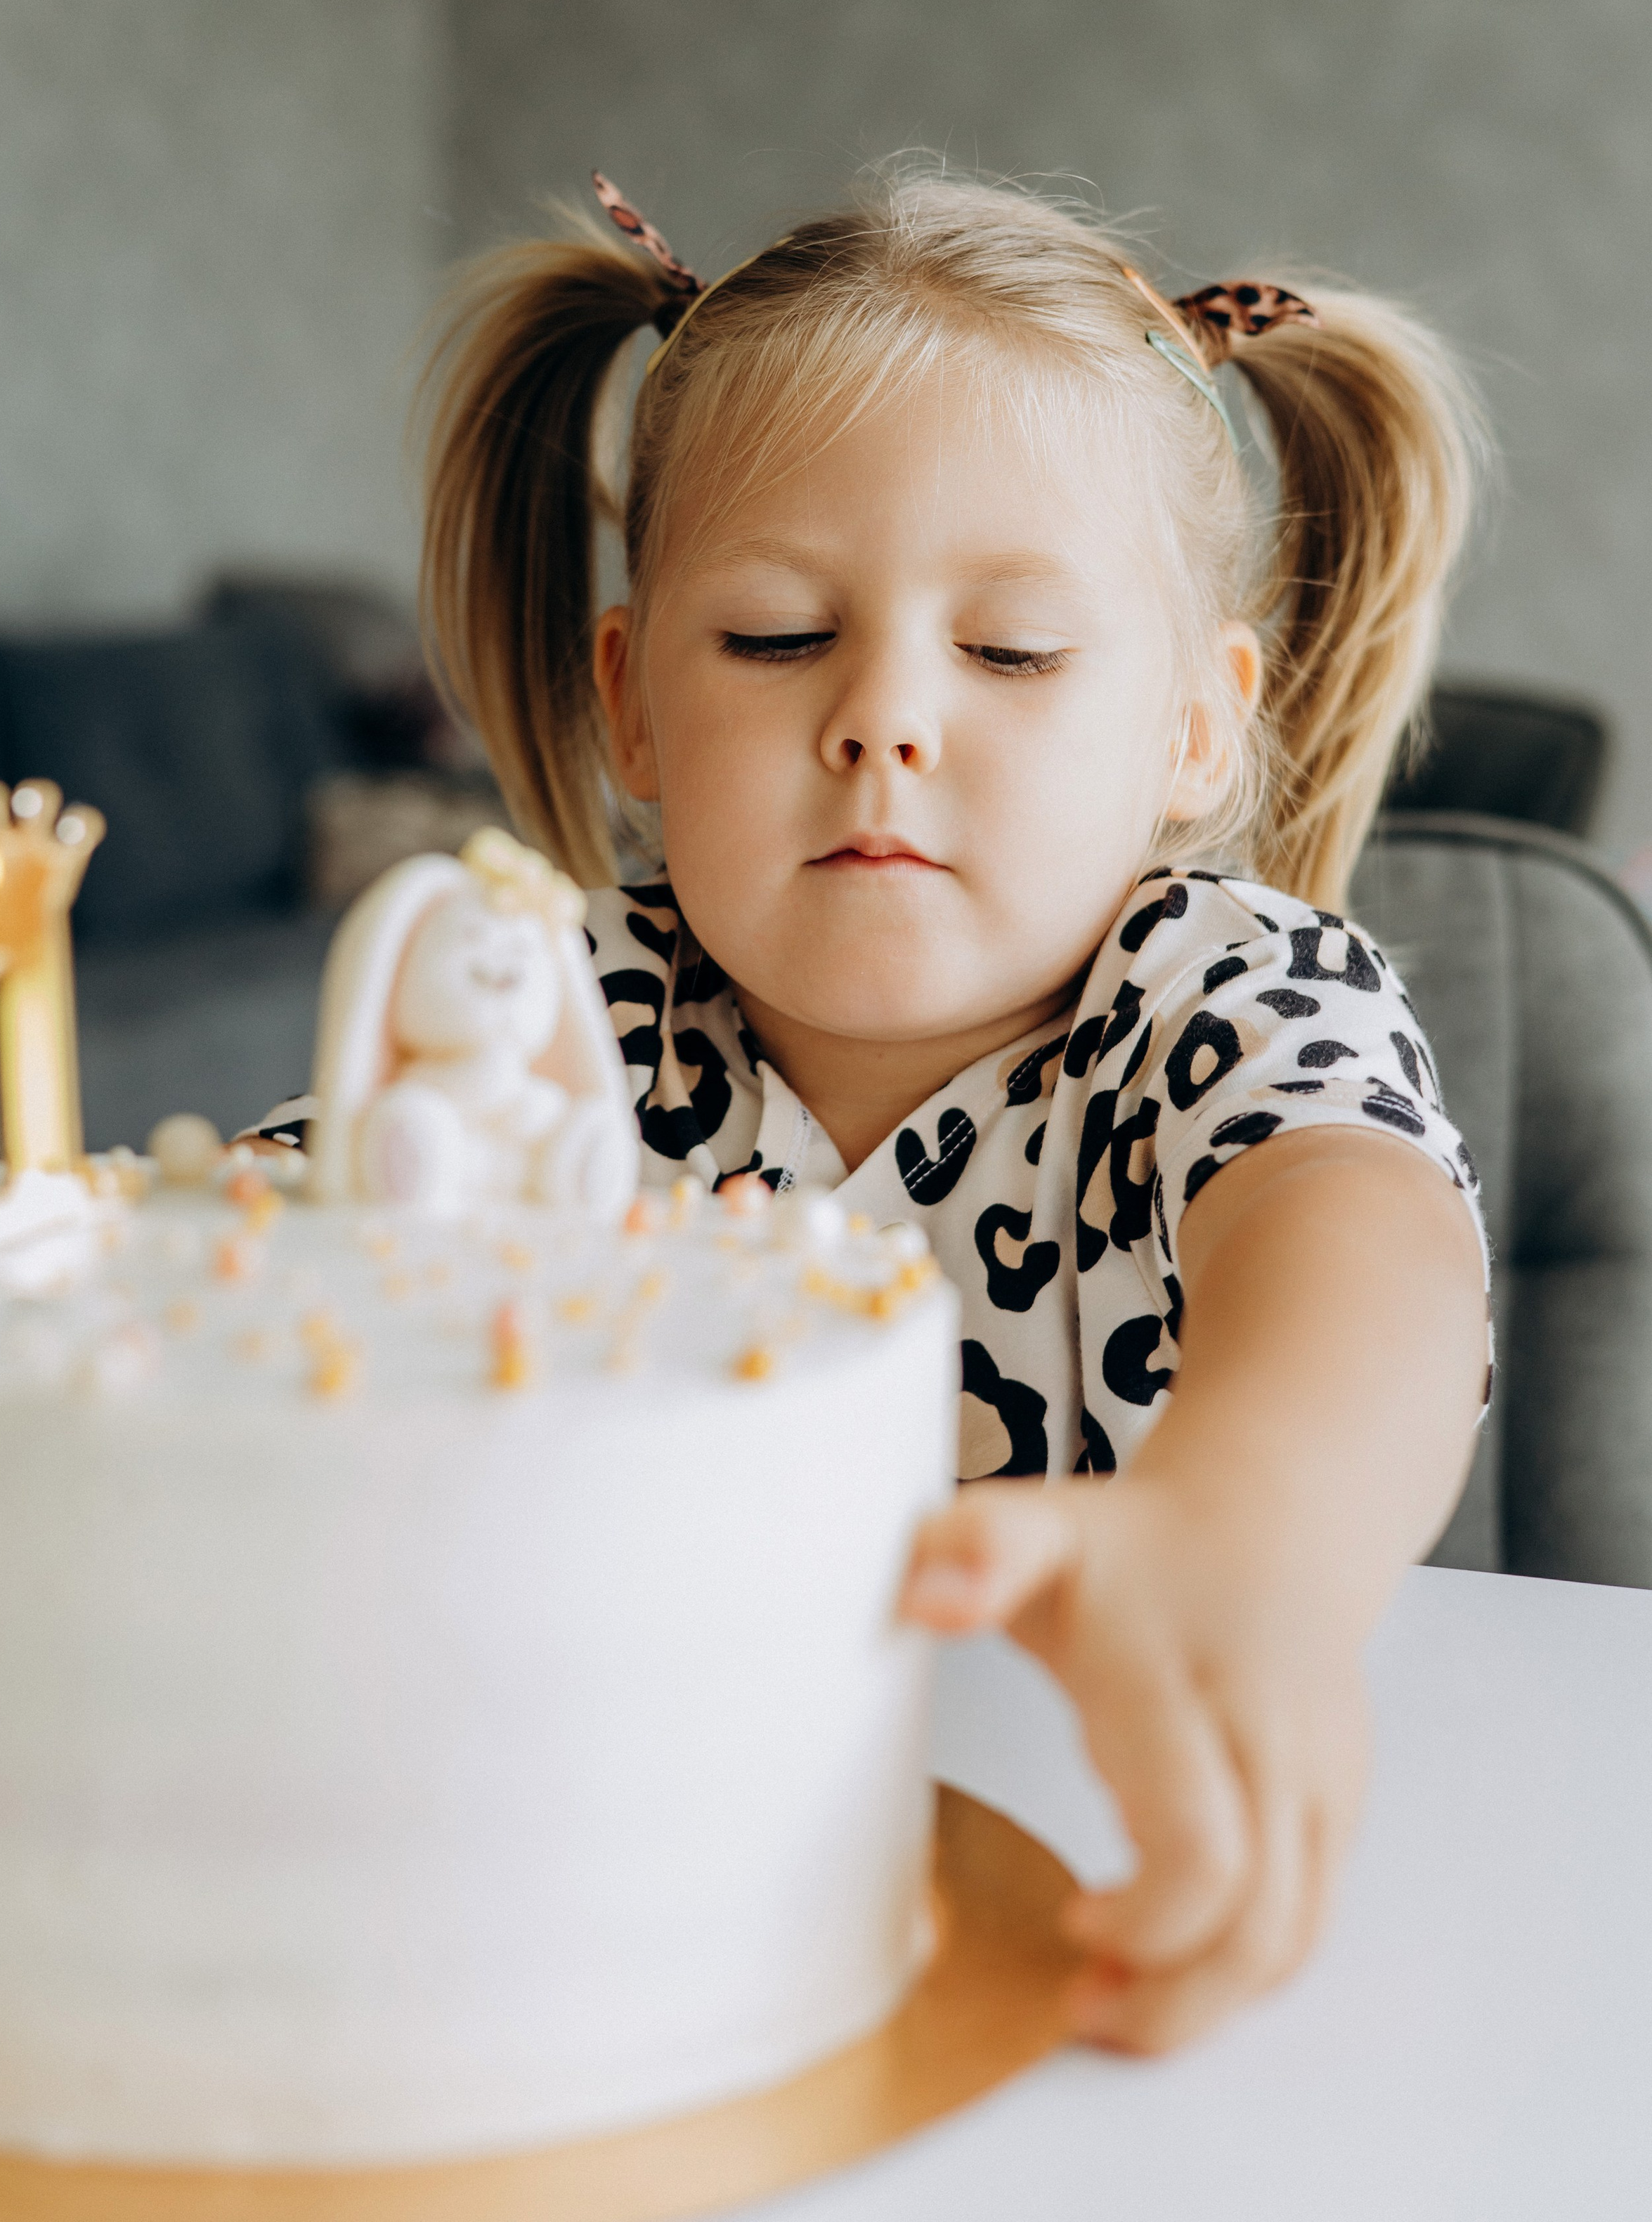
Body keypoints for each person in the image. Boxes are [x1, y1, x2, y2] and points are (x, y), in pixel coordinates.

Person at [372, 165, 1494, 2052]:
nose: (884, 717)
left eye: (1012, 651)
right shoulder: (548, 1014)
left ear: (1195, 724)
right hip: (627, 1924)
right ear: (632, 702)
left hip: (1133, 1885)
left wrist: (1251, 1536)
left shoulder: (1224, 994)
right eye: (775, 637)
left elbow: (1367, 1240)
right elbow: (291, 1256)